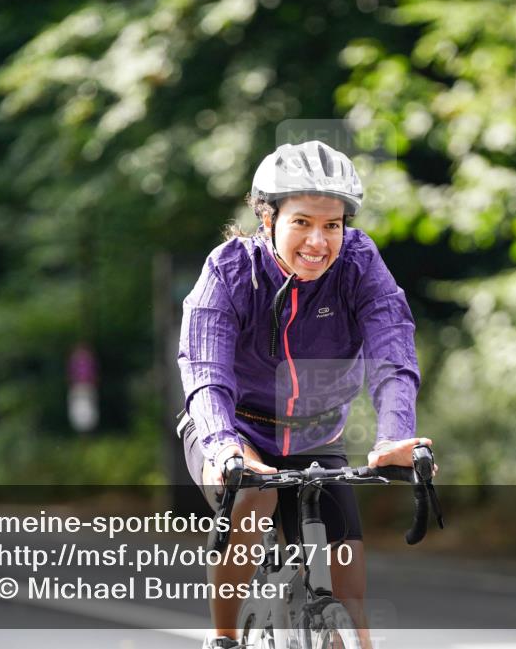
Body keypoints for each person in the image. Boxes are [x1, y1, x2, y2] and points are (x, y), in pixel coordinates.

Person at [177, 140, 433, 649]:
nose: (319, 240)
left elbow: (393, 351)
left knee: (350, 595)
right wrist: (224, 446)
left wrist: (394, 438)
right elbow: (206, 373)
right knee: (255, 496)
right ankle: (224, 639)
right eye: (302, 222)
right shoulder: (230, 271)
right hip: (234, 430)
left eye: (332, 225)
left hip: (316, 437)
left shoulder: (359, 263)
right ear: (267, 218)